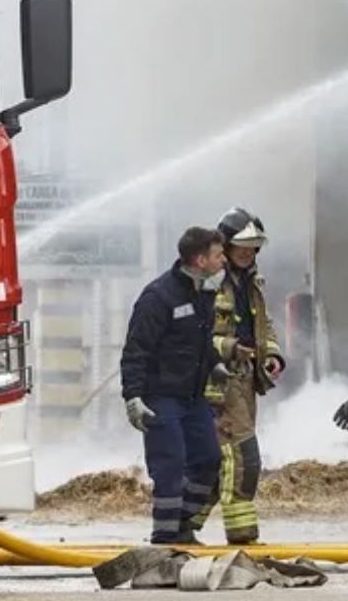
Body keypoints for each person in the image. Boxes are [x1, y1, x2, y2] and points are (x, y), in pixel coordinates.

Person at [120, 226, 227, 544]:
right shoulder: (158, 298)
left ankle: (183, 525)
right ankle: (165, 538)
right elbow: (136, 350)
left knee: (209, 459)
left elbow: (200, 339)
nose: (224, 262)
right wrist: (133, 397)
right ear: (200, 260)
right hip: (161, 397)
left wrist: (214, 363)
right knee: (170, 465)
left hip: (193, 396)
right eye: (218, 255)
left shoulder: (203, 292)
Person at [207, 207, 284, 545]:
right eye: (242, 245)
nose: (248, 252)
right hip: (219, 383)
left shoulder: (252, 281)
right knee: (243, 456)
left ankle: (182, 525)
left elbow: (263, 324)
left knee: (213, 465)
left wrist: (273, 354)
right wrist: (229, 347)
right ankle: (242, 537)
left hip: (245, 380)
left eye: (254, 246)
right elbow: (194, 335)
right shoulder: (210, 283)